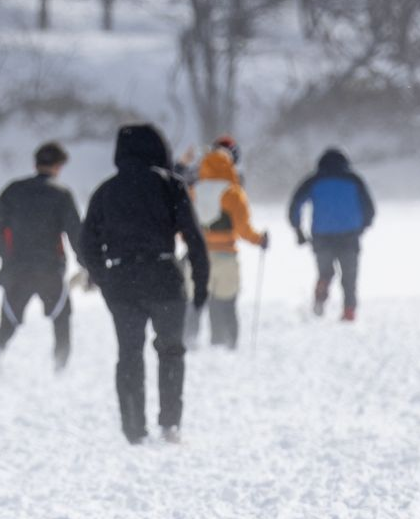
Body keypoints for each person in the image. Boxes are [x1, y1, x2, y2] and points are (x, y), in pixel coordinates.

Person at [78, 123, 208, 446]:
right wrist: (201, 286)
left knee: (129, 354)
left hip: (122, 283)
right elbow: (194, 238)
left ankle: (134, 429)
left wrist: (105, 279)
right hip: (165, 277)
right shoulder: (171, 186)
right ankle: (170, 425)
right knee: (171, 351)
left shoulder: (106, 191)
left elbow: (87, 245)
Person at [0, 143, 82, 369]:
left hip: (17, 269)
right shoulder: (61, 194)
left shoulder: (13, 190)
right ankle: (60, 366)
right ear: (58, 166)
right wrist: (86, 263)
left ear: (36, 163)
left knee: (9, 319)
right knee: (61, 318)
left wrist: (5, 258)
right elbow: (75, 232)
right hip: (50, 270)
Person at [189, 137, 271, 348]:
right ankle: (226, 345)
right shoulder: (234, 193)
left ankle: (188, 342)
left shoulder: (193, 191)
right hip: (226, 257)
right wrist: (260, 239)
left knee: (194, 303)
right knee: (225, 304)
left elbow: (183, 228)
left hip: (197, 257)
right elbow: (243, 229)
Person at [288, 148, 376, 322]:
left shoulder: (314, 180)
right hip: (350, 235)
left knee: (325, 272)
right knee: (349, 276)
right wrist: (362, 227)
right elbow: (369, 209)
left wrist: (298, 230)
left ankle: (320, 298)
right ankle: (349, 311)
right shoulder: (354, 180)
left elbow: (295, 205)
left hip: (322, 236)